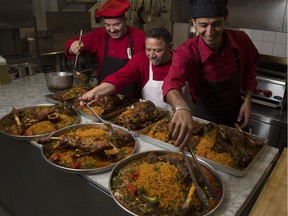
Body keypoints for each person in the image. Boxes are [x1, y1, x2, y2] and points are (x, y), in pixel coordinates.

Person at [162, 0, 259, 149]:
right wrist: (181, 107)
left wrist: (248, 99)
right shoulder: (186, 52)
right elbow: (171, 84)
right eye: (203, 25)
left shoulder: (241, 40)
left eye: (216, 24)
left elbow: (250, 68)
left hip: (236, 114)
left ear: (225, 18)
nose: (210, 32)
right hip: (204, 118)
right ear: (194, 22)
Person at [64, 0, 146, 98]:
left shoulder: (140, 37)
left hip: (133, 98)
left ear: (125, 20)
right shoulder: (99, 35)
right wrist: (73, 47)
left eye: (116, 24)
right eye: (107, 25)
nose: (112, 30)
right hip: (103, 96)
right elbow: (72, 45)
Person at [79, 26, 173, 110]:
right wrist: (95, 92)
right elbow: (119, 78)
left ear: (170, 46)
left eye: (157, 50)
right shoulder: (141, 60)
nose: (151, 55)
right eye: (148, 49)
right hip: (151, 117)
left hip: (182, 118)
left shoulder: (181, 61)